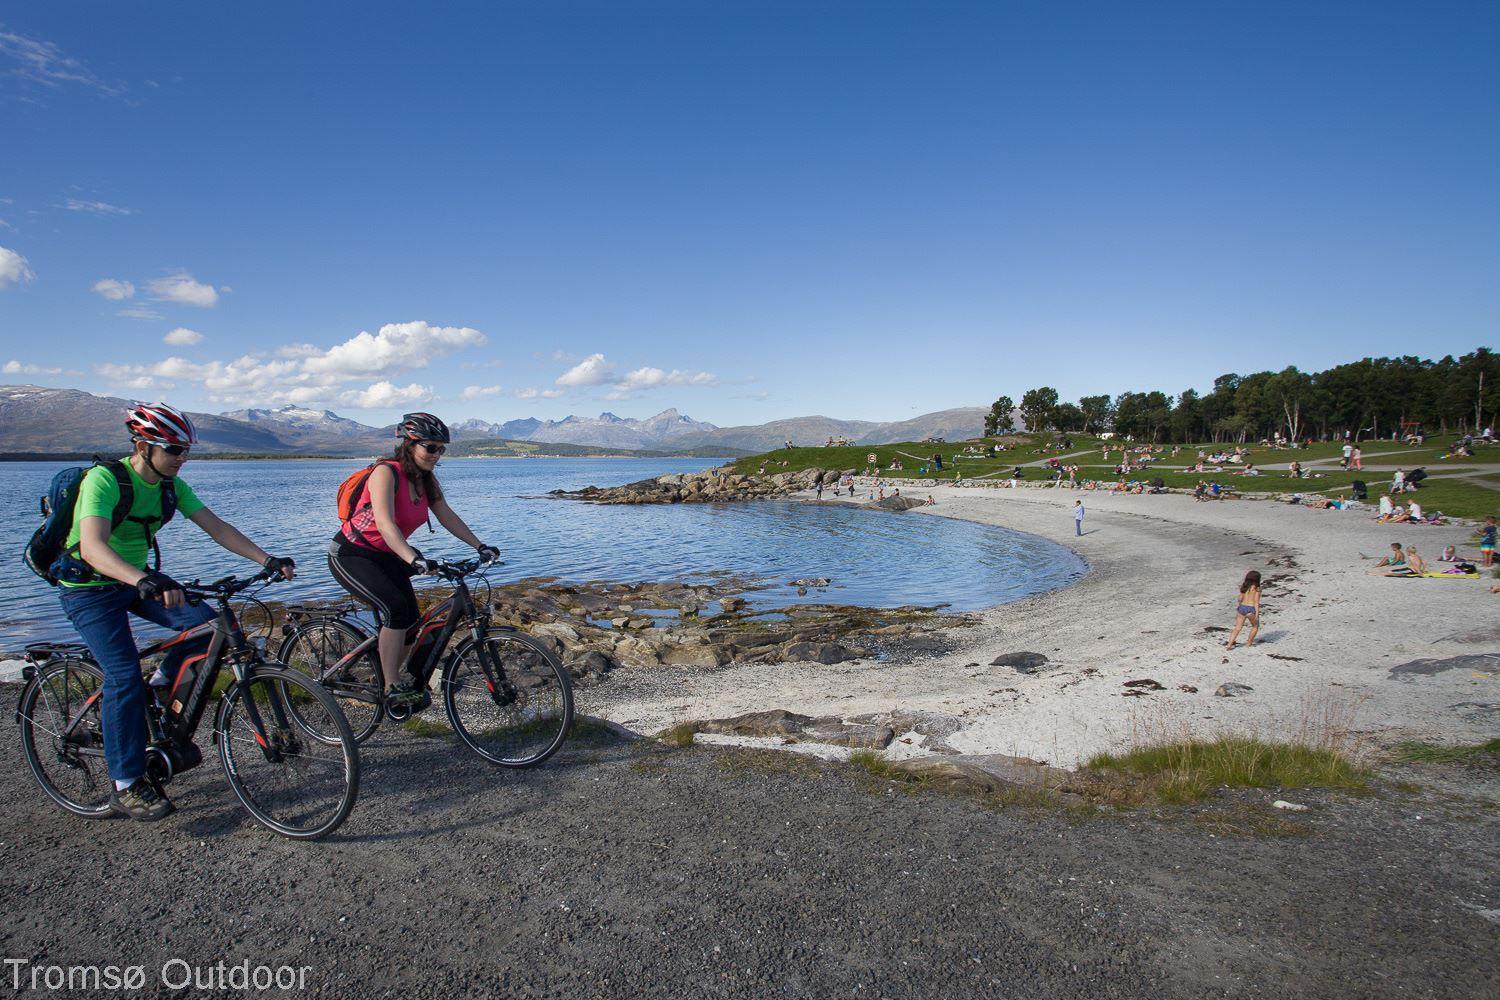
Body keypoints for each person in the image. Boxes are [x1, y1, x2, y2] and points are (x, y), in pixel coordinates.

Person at [58, 403, 296, 821]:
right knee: (122, 674)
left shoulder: (170, 486)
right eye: (173, 449)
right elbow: (93, 548)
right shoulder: (105, 480)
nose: (181, 458)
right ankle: (126, 784)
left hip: (140, 580)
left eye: (185, 450)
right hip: (90, 587)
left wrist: (265, 559)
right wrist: (144, 580)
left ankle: (162, 682)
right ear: (142, 445)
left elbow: (216, 526)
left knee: (209, 626)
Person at [327, 412, 498, 708]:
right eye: (430, 447)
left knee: (411, 619)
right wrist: (413, 557)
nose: (436, 454)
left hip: (388, 554)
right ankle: (391, 686)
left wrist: (480, 545)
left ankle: (388, 675)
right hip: (352, 554)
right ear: (409, 444)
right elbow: (385, 524)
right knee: (396, 609)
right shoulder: (386, 473)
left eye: (441, 449)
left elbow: (446, 515)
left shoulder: (425, 479)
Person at [1224, 570, 1261, 650]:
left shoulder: (1244, 586)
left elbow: (1240, 598)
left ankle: (1229, 644)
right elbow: (1256, 602)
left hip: (1242, 607)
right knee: (1255, 626)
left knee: (1237, 627)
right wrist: (1257, 614)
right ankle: (1249, 643)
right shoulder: (1257, 588)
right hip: (1251, 608)